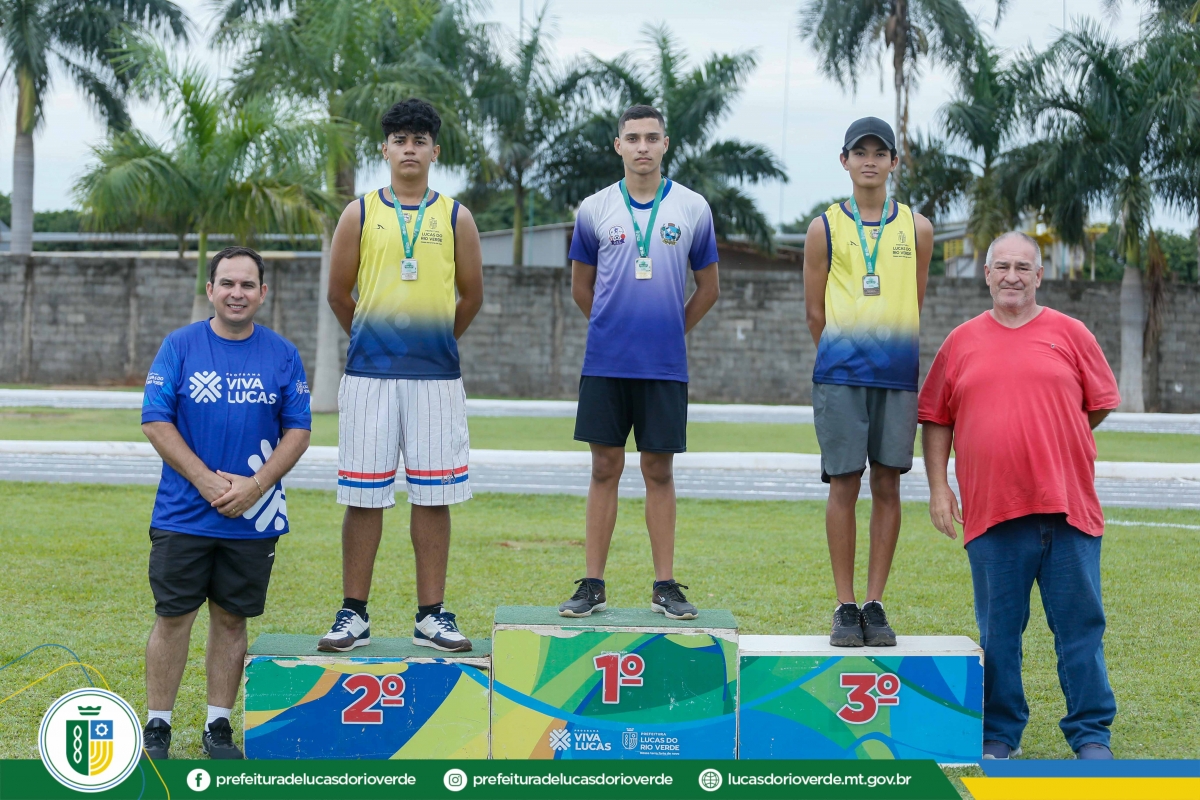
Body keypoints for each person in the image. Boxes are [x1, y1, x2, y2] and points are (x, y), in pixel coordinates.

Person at [919, 231, 1120, 760]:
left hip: (1069, 511)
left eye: (1023, 267)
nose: (1012, 276)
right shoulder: (960, 342)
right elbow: (936, 418)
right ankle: (999, 733)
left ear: (1039, 276)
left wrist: (1055, 434)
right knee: (999, 635)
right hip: (993, 514)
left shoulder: (1071, 333)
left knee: (1080, 630)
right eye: (1002, 266)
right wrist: (939, 487)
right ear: (987, 274)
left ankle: (1091, 734)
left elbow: (1099, 403)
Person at [320, 98, 484, 653]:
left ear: (435, 151)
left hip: (436, 379)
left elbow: (471, 296)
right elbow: (338, 294)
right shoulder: (359, 213)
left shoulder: (456, 216)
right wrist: (376, 341)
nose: (409, 149)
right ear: (384, 149)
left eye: (419, 140)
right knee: (363, 495)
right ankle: (353, 614)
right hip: (369, 375)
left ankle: (431, 616)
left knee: (433, 495)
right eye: (399, 140)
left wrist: (434, 343)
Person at [140, 246, 312, 760]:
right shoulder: (180, 345)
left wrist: (255, 486)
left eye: (247, 284)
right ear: (211, 289)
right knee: (174, 618)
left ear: (263, 292)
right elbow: (155, 420)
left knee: (233, 620)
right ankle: (157, 725)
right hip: (183, 514)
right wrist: (205, 482)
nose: (237, 293)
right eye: (228, 283)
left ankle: (218, 725)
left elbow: (298, 431)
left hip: (253, 518)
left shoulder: (282, 353)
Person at [558, 104, 720, 620]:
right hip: (605, 364)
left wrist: (668, 332)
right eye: (633, 138)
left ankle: (665, 585)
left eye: (652, 137)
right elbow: (581, 287)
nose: (643, 146)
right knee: (604, 468)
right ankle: (592, 584)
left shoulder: (692, 207)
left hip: (664, 367)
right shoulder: (594, 209)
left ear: (666, 144)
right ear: (619, 146)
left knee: (658, 470)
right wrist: (613, 329)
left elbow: (709, 288)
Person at [803, 117, 933, 647]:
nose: (870, 161)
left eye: (881, 153)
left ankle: (875, 605)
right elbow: (814, 312)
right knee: (844, 483)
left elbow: (914, 300)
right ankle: (845, 605)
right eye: (861, 152)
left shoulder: (918, 229)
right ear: (845, 161)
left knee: (887, 484)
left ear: (894, 162)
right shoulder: (824, 227)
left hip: (896, 377)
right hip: (840, 376)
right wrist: (846, 353)